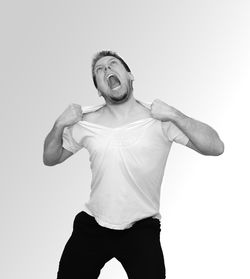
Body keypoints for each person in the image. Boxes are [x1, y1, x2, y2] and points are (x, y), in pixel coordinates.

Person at [43, 50, 224, 279]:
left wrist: (175, 115)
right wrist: (59, 124)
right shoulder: (84, 122)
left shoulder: (160, 119)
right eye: (100, 70)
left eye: (113, 64)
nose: (107, 69)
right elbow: (50, 159)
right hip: (93, 225)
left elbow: (216, 147)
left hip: (141, 229)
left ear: (130, 75)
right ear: (99, 89)